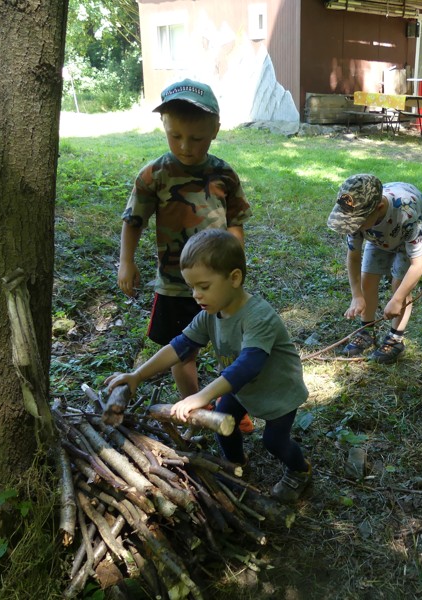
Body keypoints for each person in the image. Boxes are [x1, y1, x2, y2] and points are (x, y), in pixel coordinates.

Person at [105, 229, 312, 503]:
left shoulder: (258, 317)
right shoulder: (209, 315)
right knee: (223, 426)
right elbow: (179, 347)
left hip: (277, 390)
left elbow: (247, 365)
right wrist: (137, 375)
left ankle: (300, 471)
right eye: (192, 286)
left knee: (274, 441)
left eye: (204, 286)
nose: (196, 294)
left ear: (234, 278)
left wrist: (201, 396)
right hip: (241, 390)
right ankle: (235, 465)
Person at [117, 77, 254, 432]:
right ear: (164, 127)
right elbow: (134, 221)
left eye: (196, 138)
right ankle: (199, 407)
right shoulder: (154, 175)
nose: (185, 146)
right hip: (176, 285)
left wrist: (235, 262)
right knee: (184, 351)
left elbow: (236, 221)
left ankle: (236, 405)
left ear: (215, 131)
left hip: (221, 283)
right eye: (174, 136)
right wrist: (126, 261)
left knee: (234, 346)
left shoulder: (223, 173)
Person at [327, 174, 422, 364]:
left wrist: (397, 299)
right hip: (378, 238)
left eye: (357, 222)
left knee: (399, 284)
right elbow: (353, 257)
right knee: (367, 278)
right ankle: (367, 330)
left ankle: (395, 338)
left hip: (404, 237)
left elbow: (418, 264)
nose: (353, 227)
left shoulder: (408, 215)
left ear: (378, 209)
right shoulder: (356, 218)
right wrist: (356, 295)